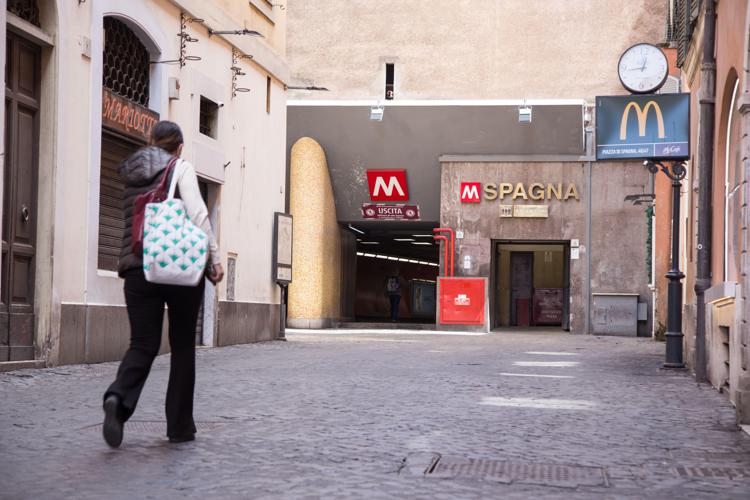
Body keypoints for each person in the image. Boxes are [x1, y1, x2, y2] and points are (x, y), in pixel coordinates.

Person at [102, 121, 224, 448]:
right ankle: (180, 427)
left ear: (150, 141)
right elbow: (198, 216)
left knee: (142, 343)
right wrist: (213, 257)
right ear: (179, 147)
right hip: (179, 267)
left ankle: (118, 397)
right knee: (183, 346)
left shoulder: (132, 171)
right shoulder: (180, 167)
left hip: (138, 268)